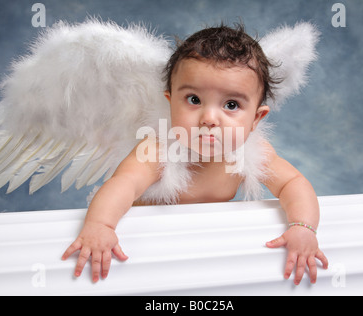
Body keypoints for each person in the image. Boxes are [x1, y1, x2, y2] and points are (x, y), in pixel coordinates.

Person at [62, 24, 329, 285]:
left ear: (256, 119)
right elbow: (123, 183)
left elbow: (293, 183)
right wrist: (101, 226)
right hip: (146, 245)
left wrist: (303, 228)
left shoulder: (254, 154)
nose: (209, 118)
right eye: (193, 100)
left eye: (231, 104)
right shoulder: (157, 150)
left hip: (198, 245)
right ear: (170, 102)